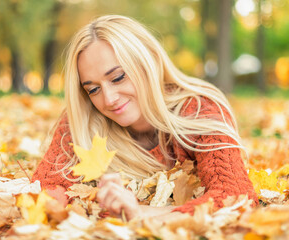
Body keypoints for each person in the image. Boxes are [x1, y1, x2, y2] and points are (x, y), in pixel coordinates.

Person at [32, 15, 258, 220]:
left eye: (118, 77)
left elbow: (234, 198)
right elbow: (45, 191)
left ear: (148, 61)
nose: (109, 99)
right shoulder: (83, 118)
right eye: (93, 89)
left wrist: (143, 214)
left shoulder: (200, 111)